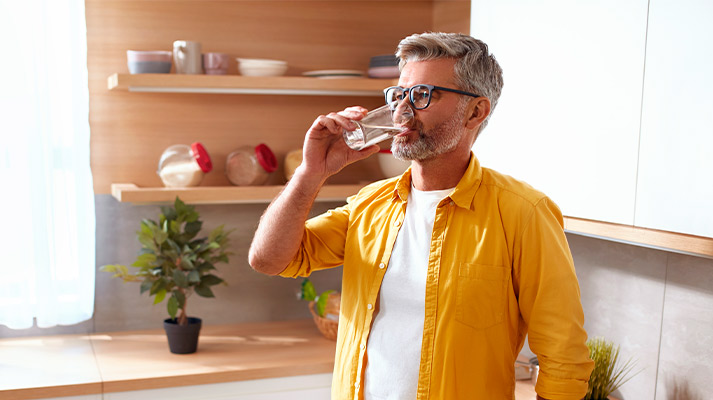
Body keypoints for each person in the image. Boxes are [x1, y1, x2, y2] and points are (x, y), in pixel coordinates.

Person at [248, 32, 594, 400]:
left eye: (422, 95)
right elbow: (269, 259)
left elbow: (563, 358)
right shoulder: (370, 205)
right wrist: (309, 173)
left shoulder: (525, 213)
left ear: (476, 111)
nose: (402, 110)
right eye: (399, 95)